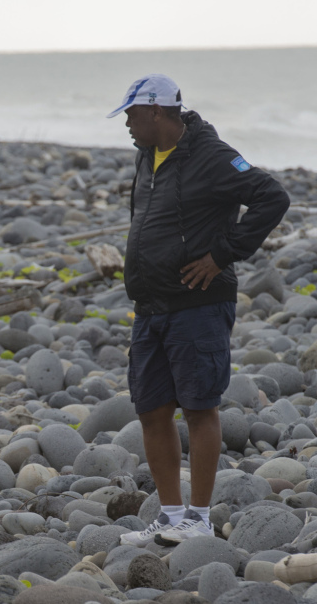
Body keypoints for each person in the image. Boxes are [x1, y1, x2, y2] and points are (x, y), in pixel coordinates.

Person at [107, 74, 290, 546]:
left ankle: (200, 518)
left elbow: (272, 197)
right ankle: (170, 516)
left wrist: (222, 254)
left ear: (155, 112)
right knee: (151, 409)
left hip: (197, 304)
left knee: (199, 407)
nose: (125, 125)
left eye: (130, 115)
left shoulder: (211, 155)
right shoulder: (147, 155)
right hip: (151, 305)